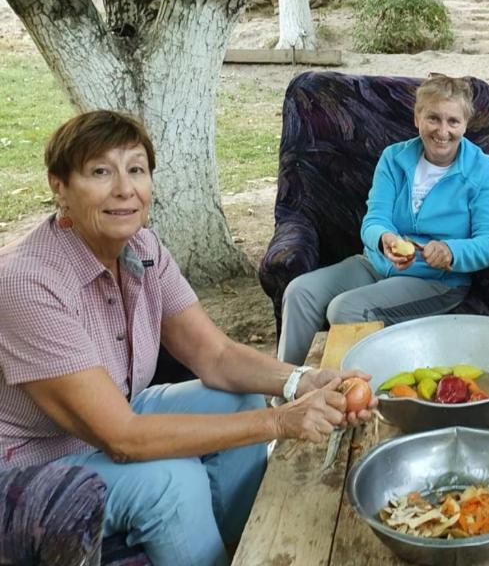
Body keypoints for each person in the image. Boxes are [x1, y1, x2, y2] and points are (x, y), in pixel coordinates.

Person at [0, 110, 376, 566]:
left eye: (136, 170)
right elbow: (123, 438)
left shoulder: (143, 250)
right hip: (32, 469)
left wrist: (301, 380)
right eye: (100, 171)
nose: (124, 189)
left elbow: (214, 355)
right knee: (172, 482)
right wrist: (281, 422)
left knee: (238, 398)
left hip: (113, 415)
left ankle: (239, 548)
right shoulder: (28, 283)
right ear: (59, 186)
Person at [278, 74, 489, 365]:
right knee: (300, 292)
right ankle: (285, 387)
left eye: (453, 121)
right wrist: (384, 239)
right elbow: (375, 219)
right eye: (433, 118)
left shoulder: (483, 170)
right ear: (417, 119)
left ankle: (347, 399)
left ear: (465, 125)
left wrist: (452, 252)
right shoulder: (394, 158)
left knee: (345, 310)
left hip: (437, 279)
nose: (443, 131)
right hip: (376, 263)